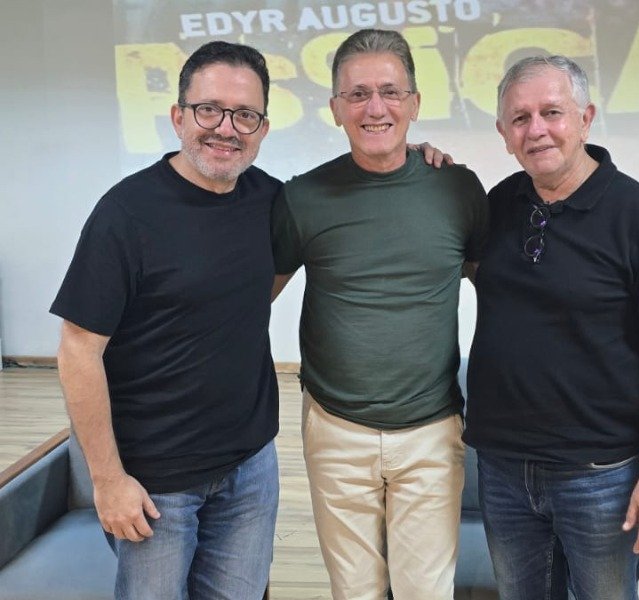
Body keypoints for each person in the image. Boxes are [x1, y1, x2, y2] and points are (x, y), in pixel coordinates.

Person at [51, 41, 281, 599]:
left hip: (250, 468)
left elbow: (261, 286)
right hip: (153, 484)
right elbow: (78, 349)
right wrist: (107, 481)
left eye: (244, 115)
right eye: (209, 109)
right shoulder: (125, 214)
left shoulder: (273, 202)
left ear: (263, 128)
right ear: (178, 117)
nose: (226, 128)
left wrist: (415, 153)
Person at [464, 55, 639, 600]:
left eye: (552, 112)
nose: (536, 130)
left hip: (601, 475)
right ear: (503, 133)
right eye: (519, 118)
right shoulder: (499, 204)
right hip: (502, 467)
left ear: (586, 118)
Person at [270, 28, 488, 600]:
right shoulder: (302, 198)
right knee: (355, 593)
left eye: (390, 92)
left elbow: (503, 293)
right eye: (358, 94)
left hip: (432, 432)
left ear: (414, 103)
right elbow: (249, 299)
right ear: (335, 108)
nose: (375, 108)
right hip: (335, 431)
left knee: (426, 593)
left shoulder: (458, 189)